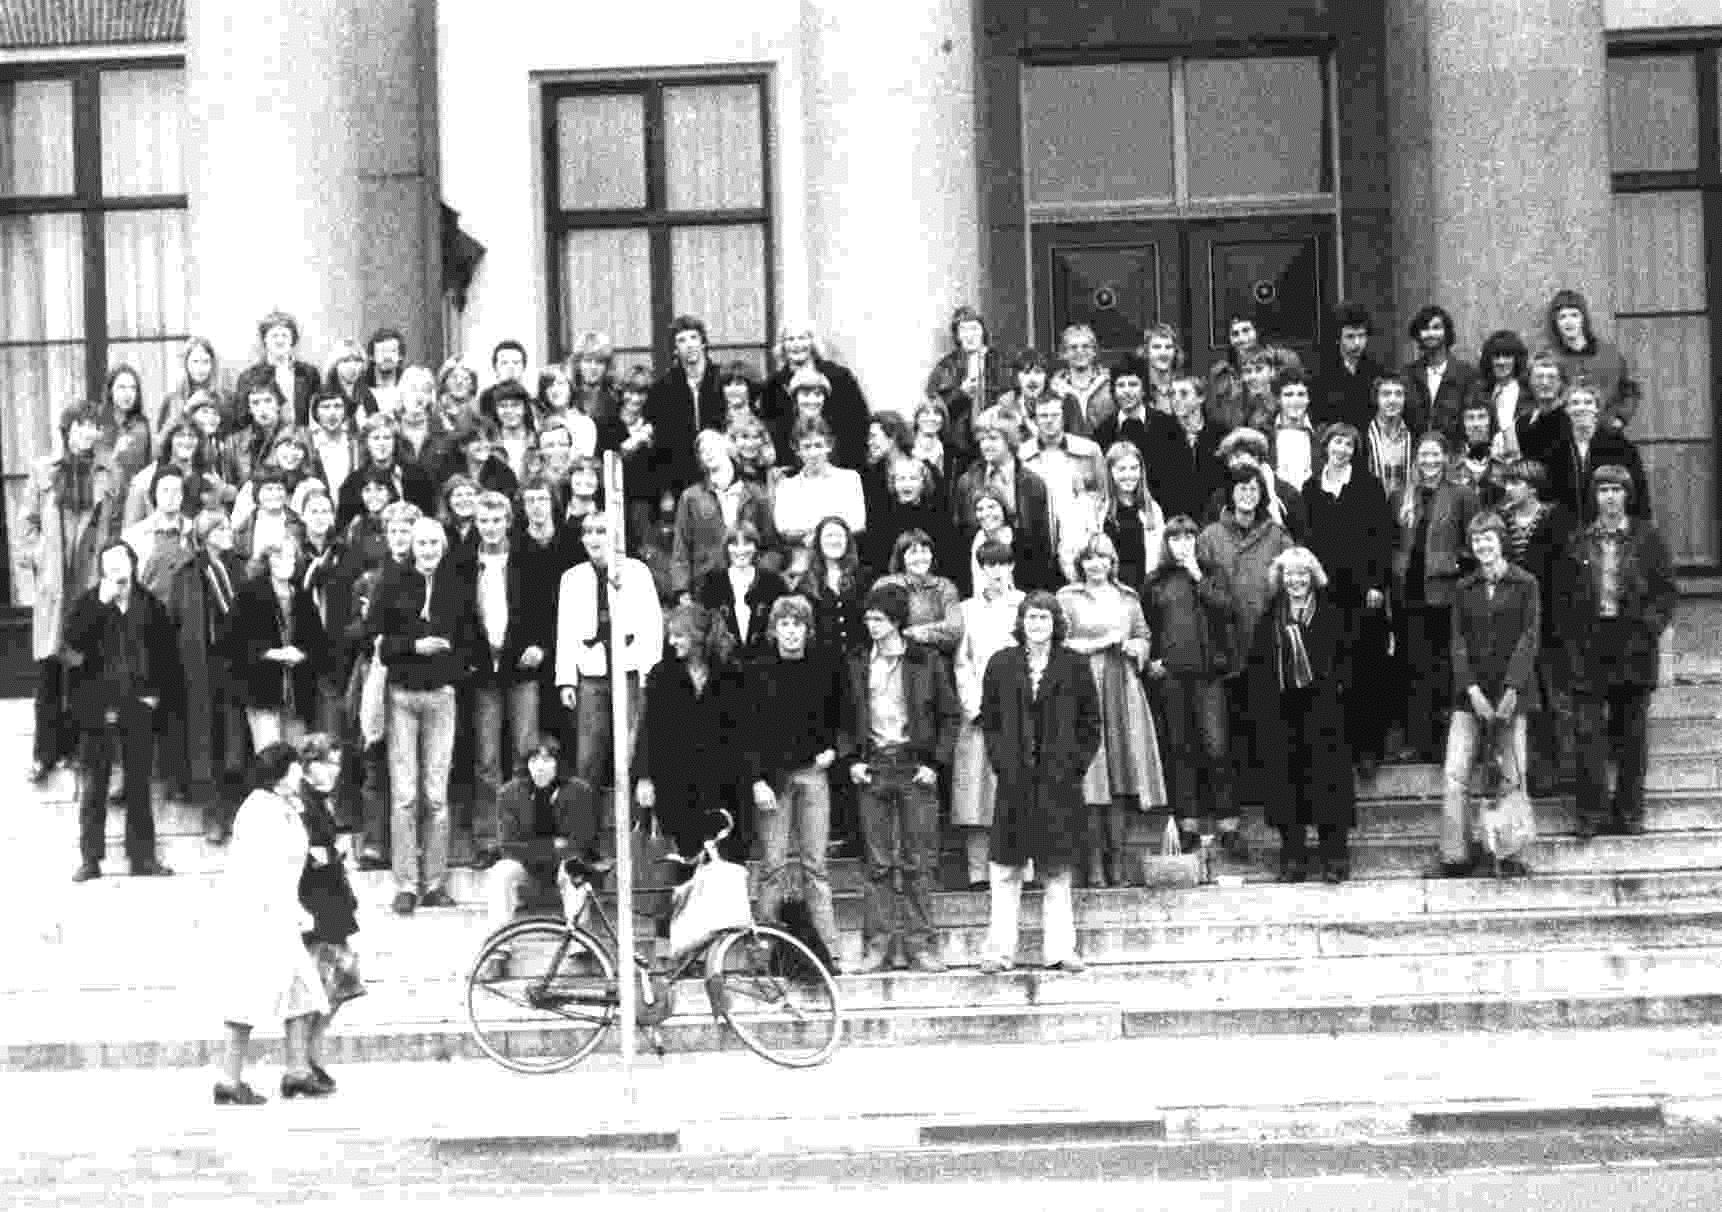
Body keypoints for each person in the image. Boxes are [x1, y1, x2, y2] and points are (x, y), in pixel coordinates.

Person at [976, 589, 1102, 975]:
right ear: (1021, 622)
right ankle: (999, 951)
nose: (1037, 624)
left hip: (1058, 785)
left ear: (1056, 623)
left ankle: (1061, 950)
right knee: (1006, 869)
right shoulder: (1001, 663)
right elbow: (991, 720)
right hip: (1014, 782)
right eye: (1031, 617)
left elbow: (1091, 725)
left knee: (1057, 870)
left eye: (1044, 617)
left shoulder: (1075, 665)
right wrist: (1002, 763)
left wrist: (1072, 768)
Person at [841, 582, 963, 972]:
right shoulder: (858, 661)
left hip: (915, 768)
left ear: (896, 621)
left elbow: (950, 716)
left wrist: (935, 763)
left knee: (918, 861)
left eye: (878, 619)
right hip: (873, 765)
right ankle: (876, 946)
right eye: (868, 619)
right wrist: (851, 761)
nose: (871, 625)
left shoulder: (925, 661)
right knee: (876, 863)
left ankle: (920, 945)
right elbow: (842, 717)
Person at [1555, 465, 1677, 839]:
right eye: (1603, 490)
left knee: (1632, 735)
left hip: (1633, 646)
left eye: (1616, 490)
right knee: (1588, 734)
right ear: (1595, 496)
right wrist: (1573, 641)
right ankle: (1590, 814)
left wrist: (1648, 629)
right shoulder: (1579, 540)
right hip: (1591, 647)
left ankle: (1629, 813)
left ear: (1627, 495)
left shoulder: (1647, 538)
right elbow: (1563, 597)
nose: (1610, 497)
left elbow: (1666, 591)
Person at [213, 742, 332, 1105]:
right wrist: (284, 910)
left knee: (300, 990)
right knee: (250, 994)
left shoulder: (282, 807)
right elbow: (262, 868)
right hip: (259, 916)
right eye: (296, 767)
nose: (301, 773)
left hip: (278, 913)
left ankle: (297, 1072)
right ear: (281, 772)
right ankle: (229, 1080)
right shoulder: (259, 810)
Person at [374, 517, 481, 915]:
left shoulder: (456, 586)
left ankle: (435, 883)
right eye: (422, 542)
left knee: (436, 796)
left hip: (441, 697)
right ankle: (406, 884)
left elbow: (471, 641)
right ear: (411, 545)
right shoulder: (392, 582)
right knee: (405, 795)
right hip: (402, 695)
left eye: (435, 542)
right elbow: (382, 646)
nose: (428, 549)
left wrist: (451, 670)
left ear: (444, 545)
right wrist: (415, 646)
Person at [1432, 513, 1540, 879]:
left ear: (1501, 541)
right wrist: (1472, 689)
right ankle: (1455, 854)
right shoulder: (1464, 588)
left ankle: (1509, 853)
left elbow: (1529, 637)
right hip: (1470, 695)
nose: (1483, 546)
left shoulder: (1526, 584)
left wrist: (1512, 688)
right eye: (1476, 540)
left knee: (1512, 773)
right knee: (1456, 772)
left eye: (1488, 538)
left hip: (1513, 693)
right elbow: (1457, 642)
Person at [65, 540, 180, 881]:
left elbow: (167, 656)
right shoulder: (88, 602)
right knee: (94, 786)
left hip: (138, 704)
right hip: (97, 706)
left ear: (132, 563)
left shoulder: (150, 604)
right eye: (108, 563)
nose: (115, 568)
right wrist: (100, 605)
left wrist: (156, 696)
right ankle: (90, 859)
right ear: (101, 569)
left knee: (139, 785)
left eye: (121, 560)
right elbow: (73, 645)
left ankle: (143, 858)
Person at [22, 403, 123, 782]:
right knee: (50, 669)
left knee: (86, 666)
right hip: (55, 585)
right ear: (66, 430)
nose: (87, 433)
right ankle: (45, 753)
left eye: (93, 427)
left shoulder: (109, 472)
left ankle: (83, 750)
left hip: (90, 579)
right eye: (80, 426)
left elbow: (116, 526)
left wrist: (110, 573)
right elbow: (26, 528)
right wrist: (41, 561)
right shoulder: (44, 471)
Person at [1058, 534, 1166, 886]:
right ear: (1080, 564)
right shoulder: (1067, 598)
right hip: (1082, 686)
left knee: (1120, 776)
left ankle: (1117, 862)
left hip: (1121, 688)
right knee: (1091, 775)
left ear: (1112, 562)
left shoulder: (1128, 598)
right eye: (1089, 558)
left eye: (1102, 558)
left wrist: (1138, 646)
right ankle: (1092, 865)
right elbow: (1058, 642)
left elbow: (1144, 635)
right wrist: (1099, 644)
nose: (1096, 565)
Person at [745, 594, 846, 964]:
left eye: (798, 625)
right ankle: (764, 949)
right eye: (784, 625)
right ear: (775, 630)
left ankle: (828, 948)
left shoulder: (824, 668)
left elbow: (840, 717)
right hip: (773, 780)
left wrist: (833, 750)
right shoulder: (757, 671)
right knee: (773, 866)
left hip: (813, 775)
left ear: (808, 630)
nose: (791, 632)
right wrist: (756, 780)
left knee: (815, 865)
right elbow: (748, 731)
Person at [1197, 463, 1295, 840]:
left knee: (1269, 733)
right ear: (1230, 494)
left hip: (1265, 648)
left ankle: (1274, 815)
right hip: (1223, 652)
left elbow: (1294, 577)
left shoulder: (1276, 534)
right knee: (1223, 742)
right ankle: (1230, 821)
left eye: (1253, 489)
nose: (1247, 495)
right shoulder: (1209, 537)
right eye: (1241, 489)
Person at [1246, 547, 1356, 884]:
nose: (1296, 581)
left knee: (1328, 782)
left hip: (1324, 711)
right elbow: (1259, 666)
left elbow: (1346, 660)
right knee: (1287, 782)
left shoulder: (1331, 614)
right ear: (1281, 579)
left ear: (1313, 577)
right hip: (1282, 712)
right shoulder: (1269, 618)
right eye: (1290, 575)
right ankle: (1293, 855)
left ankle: (1333, 856)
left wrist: (1338, 692)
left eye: (1302, 574)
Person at [1303, 421, 1394, 776]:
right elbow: (1307, 541)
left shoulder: (1368, 486)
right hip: (1327, 594)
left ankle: (1368, 749)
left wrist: (1377, 583)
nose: (1341, 449)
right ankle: (1338, 750)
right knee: (1332, 671)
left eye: (1347, 444)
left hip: (1364, 595)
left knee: (1366, 671)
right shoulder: (1311, 489)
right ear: (1325, 446)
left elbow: (1383, 537)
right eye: (1336, 443)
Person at [555, 512, 664, 808]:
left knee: (631, 751)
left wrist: (649, 675)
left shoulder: (637, 572)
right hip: (591, 675)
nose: (594, 538)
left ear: (615, 536)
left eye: (601, 531)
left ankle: (634, 831)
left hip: (629, 672)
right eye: (588, 532)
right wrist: (566, 678)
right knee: (588, 757)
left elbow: (652, 625)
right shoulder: (572, 578)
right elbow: (564, 631)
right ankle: (584, 841)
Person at [1146, 516, 1239, 855]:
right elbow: (1149, 625)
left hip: (1208, 675)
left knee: (1217, 749)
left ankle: (1228, 825)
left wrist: (1199, 579)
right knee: (1181, 750)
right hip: (1173, 677)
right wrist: (1154, 658)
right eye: (1176, 539)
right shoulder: (1156, 581)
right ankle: (1188, 825)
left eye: (1189, 538)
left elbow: (1228, 611)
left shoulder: (1212, 573)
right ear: (1167, 544)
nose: (1183, 544)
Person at [470, 491, 553, 864]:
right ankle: (488, 839)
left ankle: (523, 839)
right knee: (487, 759)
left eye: (496, 520)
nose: (490, 528)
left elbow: (547, 609)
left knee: (524, 754)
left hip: (522, 667)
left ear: (508, 521)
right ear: (476, 524)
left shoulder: (529, 558)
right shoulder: (465, 563)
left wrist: (540, 646)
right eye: (483, 521)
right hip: (484, 670)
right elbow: (458, 616)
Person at [634, 603, 751, 865]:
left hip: (724, 785)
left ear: (697, 636)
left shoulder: (732, 674)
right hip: (678, 785)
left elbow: (743, 733)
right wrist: (644, 777)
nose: (671, 641)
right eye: (670, 635)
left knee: (725, 865)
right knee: (687, 864)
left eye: (679, 635)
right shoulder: (661, 675)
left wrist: (750, 780)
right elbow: (648, 730)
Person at [1390, 433, 1480, 761]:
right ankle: (1417, 738)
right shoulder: (1402, 495)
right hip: (1408, 593)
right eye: (1423, 455)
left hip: (1444, 594)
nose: (1429, 461)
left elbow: (1474, 540)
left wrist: (1455, 562)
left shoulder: (1461, 495)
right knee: (1413, 666)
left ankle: (1444, 742)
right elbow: (1393, 540)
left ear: (1445, 458)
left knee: (1444, 667)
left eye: (1435, 455)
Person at [1498, 458, 1577, 793]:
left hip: (1551, 621)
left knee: (1555, 698)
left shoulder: (1555, 519)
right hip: (1512, 623)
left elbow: (1566, 571)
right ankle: (1528, 773)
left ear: (1531, 487)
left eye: (1514, 483)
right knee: (1522, 698)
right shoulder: (1501, 521)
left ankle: (1565, 773)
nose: (1508, 489)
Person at [295, 733, 363, 1092]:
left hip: (331, 902)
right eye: (327, 763)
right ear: (309, 765)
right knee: (323, 985)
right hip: (316, 905)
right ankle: (307, 1060)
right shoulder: (303, 802)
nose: (334, 771)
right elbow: (311, 855)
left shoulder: (321, 801)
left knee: (339, 983)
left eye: (336, 763)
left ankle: (311, 1055)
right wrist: (331, 854)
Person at [486, 737, 603, 932]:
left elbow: (582, 842)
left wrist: (535, 847)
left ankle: (579, 941)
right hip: (527, 870)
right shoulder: (509, 794)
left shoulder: (579, 791)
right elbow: (508, 846)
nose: (540, 767)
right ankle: (499, 946)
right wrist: (554, 845)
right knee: (501, 872)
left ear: (558, 764)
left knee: (574, 866)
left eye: (547, 760)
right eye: (533, 761)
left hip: (564, 869)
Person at [231, 538, 327, 751]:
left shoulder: (302, 597)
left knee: (296, 761)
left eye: (291, 556)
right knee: (269, 759)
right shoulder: (249, 594)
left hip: (298, 696)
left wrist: (302, 655)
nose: (287, 562)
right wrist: (275, 654)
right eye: (280, 556)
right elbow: (236, 642)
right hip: (263, 692)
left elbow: (319, 645)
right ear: (268, 561)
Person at [952, 406, 1057, 591]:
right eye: (982, 439)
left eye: (993, 438)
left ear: (1009, 440)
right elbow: (960, 537)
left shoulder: (1033, 484)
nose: (985, 445)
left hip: (1024, 579)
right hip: (979, 580)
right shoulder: (967, 482)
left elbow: (1043, 543)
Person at [671, 429, 779, 601]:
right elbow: (681, 548)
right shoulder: (690, 497)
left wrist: (762, 576)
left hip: (750, 586)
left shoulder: (756, 494)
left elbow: (772, 545)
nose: (707, 452)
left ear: (728, 449)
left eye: (713, 446)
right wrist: (682, 589)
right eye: (702, 450)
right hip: (706, 586)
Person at [761, 320, 871, 472]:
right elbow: (772, 432)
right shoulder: (773, 385)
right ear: (783, 345)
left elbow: (858, 424)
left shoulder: (839, 376)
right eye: (790, 339)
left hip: (840, 465)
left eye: (802, 338)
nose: (796, 344)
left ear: (813, 342)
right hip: (792, 469)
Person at [645, 314, 726, 500]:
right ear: (675, 350)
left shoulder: (721, 379)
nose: (689, 344)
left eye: (694, 338)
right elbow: (661, 441)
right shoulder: (662, 389)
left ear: (703, 343)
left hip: (720, 469)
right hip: (680, 477)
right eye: (681, 340)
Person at [1545, 380, 1647, 526]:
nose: (1581, 408)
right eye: (1575, 403)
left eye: (1588, 402)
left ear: (1597, 408)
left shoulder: (1621, 447)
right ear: (1566, 409)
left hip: (1608, 532)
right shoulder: (1554, 449)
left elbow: (1638, 496)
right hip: (1564, 535)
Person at [1546, 288, 1638, 433]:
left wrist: (1620, 418)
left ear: (1583, 318)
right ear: (1555, 323)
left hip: (1606, 435)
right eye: (1562, 317)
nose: (1568, 322)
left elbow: (1629, 390)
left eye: (1574, 315)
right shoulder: (1550, 359)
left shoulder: (1609, 355)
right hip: (1565, 438)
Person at [772, 417, 866, 556]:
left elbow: (857, 523)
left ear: (829, 446)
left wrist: (813, 533)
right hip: (803, 557)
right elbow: (784, 528)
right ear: (797, 450)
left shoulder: (849, 479)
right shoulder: (786, 486)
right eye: (807, 447)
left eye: (818, 445)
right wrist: (832, 526)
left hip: (843, 555)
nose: (813, 453)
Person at [696, 520, 788, 661]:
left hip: (766, 665)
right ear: (726, 548)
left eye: (747, 543)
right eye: (735, 544)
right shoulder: (712, 583)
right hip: (724, 666)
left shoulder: (773, 582)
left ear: (756, 546)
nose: (741, 550)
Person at [925, 305, 1012, 454]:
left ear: (982, 331)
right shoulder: (947, 365)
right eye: (963, 330)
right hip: (959, 445)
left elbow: (1010, 395)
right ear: (957, 335)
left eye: (974, 328)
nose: (969, 335)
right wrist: (960, 394)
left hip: (996, 436)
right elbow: (935, 408)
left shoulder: (999, 360)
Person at [872, 528, 963, 656]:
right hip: (895, 659)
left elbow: (956, 630)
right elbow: (878, 627)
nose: (920, 558)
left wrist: (915, 632)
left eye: (925, 551)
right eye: (913, 553)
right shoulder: (885, 585)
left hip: (935, 662)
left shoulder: (945, 586)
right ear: (901, 557)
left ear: (932, 555)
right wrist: (939, 627)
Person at [1098, 441, 1166, 596]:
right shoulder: (1099, 510)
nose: (1129, 475)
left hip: (1145, 590)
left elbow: (1159, 555)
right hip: (1110, 592)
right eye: (1121, 469)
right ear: (1110, 471)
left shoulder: (1152, 509)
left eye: (1134, 468)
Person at [233, 310, 321, 426]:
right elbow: (243, 418)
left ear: (293, 339)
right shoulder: (249, 377)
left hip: (302, 438)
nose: (280, 341)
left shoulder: (308, 373)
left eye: (284, 335)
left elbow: (317, 412)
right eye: (274, 336)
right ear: (265, 339)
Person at [1402, 304, 1476, 441]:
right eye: (1425, 329)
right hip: (1418, 454)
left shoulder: (1466, 374)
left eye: (1436, 328)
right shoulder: (1408, 375)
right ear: (1418, 334)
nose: (1430, 334)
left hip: (1453, 454)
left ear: (1447, 332)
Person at [1315, 303, 1388, 433]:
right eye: (1350, 336)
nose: (1357, 343)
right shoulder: (1320, 373)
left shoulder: (1377, 371)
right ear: (1338, 338)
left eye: (1361, 336)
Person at [1466, 329, 1531, 464]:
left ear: (1516, 359)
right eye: (1496, 356)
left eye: (1507, 356)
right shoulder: (1478, 392)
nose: (1501, 362)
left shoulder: (1529, 393)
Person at [1049, 323, 1113, 436]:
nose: (1080, 351)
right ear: (1064, 353)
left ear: (1094, 351)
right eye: (1073, 347)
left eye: (1085, 346)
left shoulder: (1110, 383)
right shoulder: (1054, 388)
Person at [1365, 373, 1415, 504]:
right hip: (1372, 509)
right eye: (1386, 394)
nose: (1392, 400)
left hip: (1405, 512)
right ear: (1376, 398)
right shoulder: (1364, 435)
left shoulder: (1414, 436)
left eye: (1398, 394)